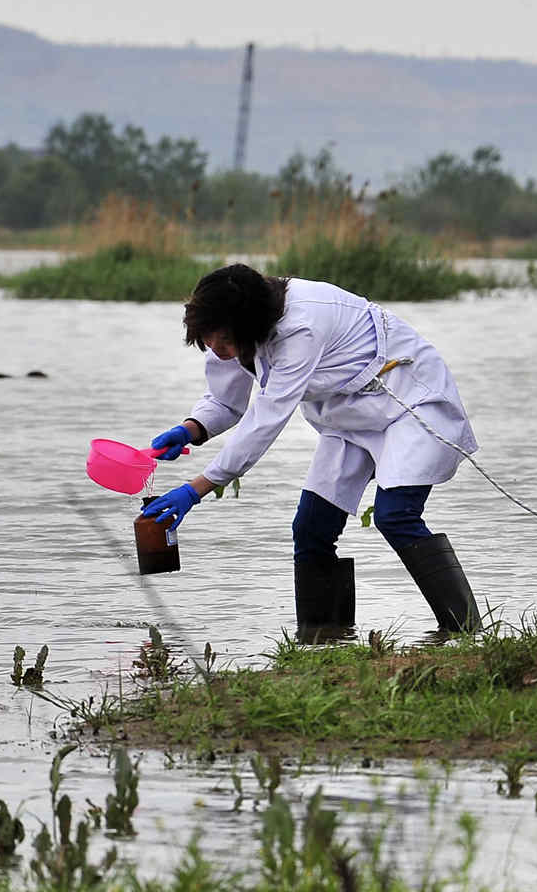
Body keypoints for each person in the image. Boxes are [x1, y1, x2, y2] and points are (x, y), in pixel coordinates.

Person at [140, 263, 483, 638]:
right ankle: (324, 641)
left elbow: (266, 419)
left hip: (408, 403)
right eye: (208, 341)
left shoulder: (300, 326)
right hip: (349, 417)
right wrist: (191, 429)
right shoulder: (232, 330)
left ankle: (463, 633)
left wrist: (197, 488)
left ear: (248, 325)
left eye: (222, 341)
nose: (216, 351)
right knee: (310, 529)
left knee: (395, 515)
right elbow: (226, 402)